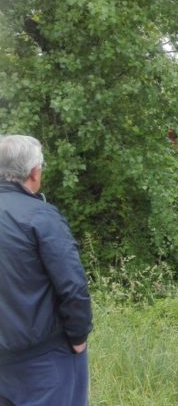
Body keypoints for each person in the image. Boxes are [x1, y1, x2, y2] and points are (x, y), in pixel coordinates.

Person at [0, 135, 92, 406]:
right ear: (34, 172)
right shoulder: (40, 216)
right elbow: (72, 285)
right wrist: (78, 337)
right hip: (42, 358)